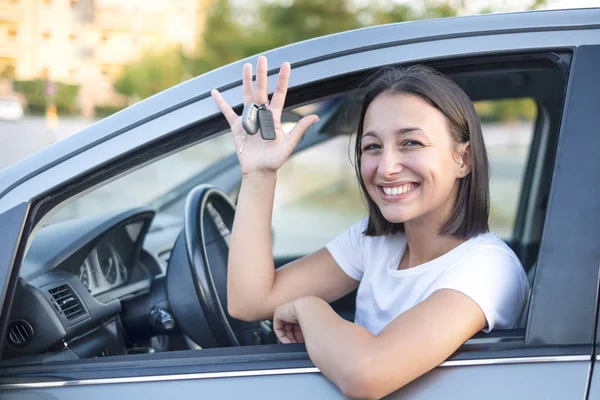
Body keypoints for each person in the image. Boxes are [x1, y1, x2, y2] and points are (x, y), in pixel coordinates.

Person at [211, 56, 528, 399]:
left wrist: (309, 306)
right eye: (372, 147)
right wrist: (259, 174)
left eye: (411, 142)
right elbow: (249, 302)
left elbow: (366, 374)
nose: (387, 167)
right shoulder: (376, 241)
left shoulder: (487, 267)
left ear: (462, 159)